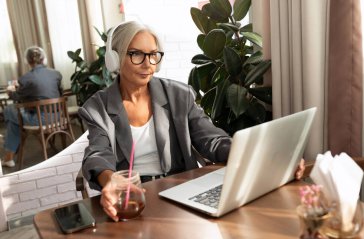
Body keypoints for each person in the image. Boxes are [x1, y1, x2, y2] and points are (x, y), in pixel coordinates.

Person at [79, 21, 305, 222]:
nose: (148, 64)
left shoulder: (179, 95)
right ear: (115, 57)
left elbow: (212, 141)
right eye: (137, 54)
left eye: (153, 55)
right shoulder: (97, 107)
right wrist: (110, 181)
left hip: (179, 188)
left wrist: (267, 155)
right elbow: (98, 153)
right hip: (134, 198)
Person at [1, 46, 62, 167]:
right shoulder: (56, 74)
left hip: (40, 120)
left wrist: (10, 92)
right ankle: (9, 156)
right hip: (58, 117)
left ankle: (9, 149)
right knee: (15, 121)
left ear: (28, 61)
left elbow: (18, 97)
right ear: (43, 58)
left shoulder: (26, 78)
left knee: (9, 110)